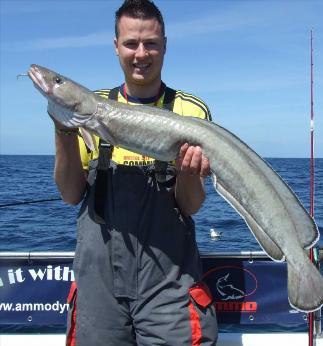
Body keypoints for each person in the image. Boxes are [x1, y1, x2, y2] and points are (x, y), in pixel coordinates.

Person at [52, 0, 218, 345]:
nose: (141, 54)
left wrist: (187, 173)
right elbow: (70, 194)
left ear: (165, 46)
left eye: (151, 43)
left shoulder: (191, 111)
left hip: (169, 285)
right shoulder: (91, 105)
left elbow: (190, 207)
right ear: (116, 47)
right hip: (99, 289)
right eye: (131, 43)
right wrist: (64, 130)